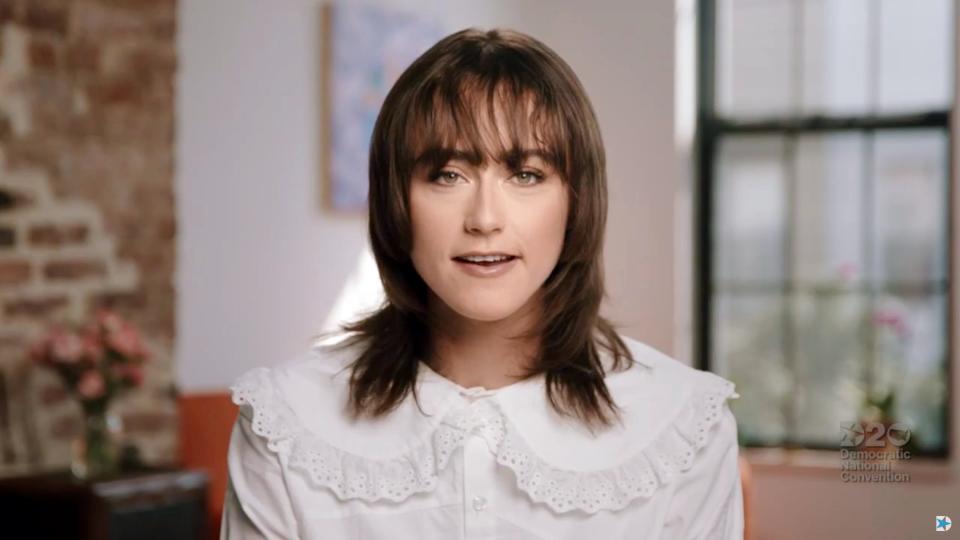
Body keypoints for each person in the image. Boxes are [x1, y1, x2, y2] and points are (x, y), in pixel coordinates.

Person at [220, 27, 743, 540]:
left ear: (575, 199)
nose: (485, 218)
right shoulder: (286, 424)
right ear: (396, 200)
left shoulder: (682, 426)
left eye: (526, 174)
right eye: (447, 174)